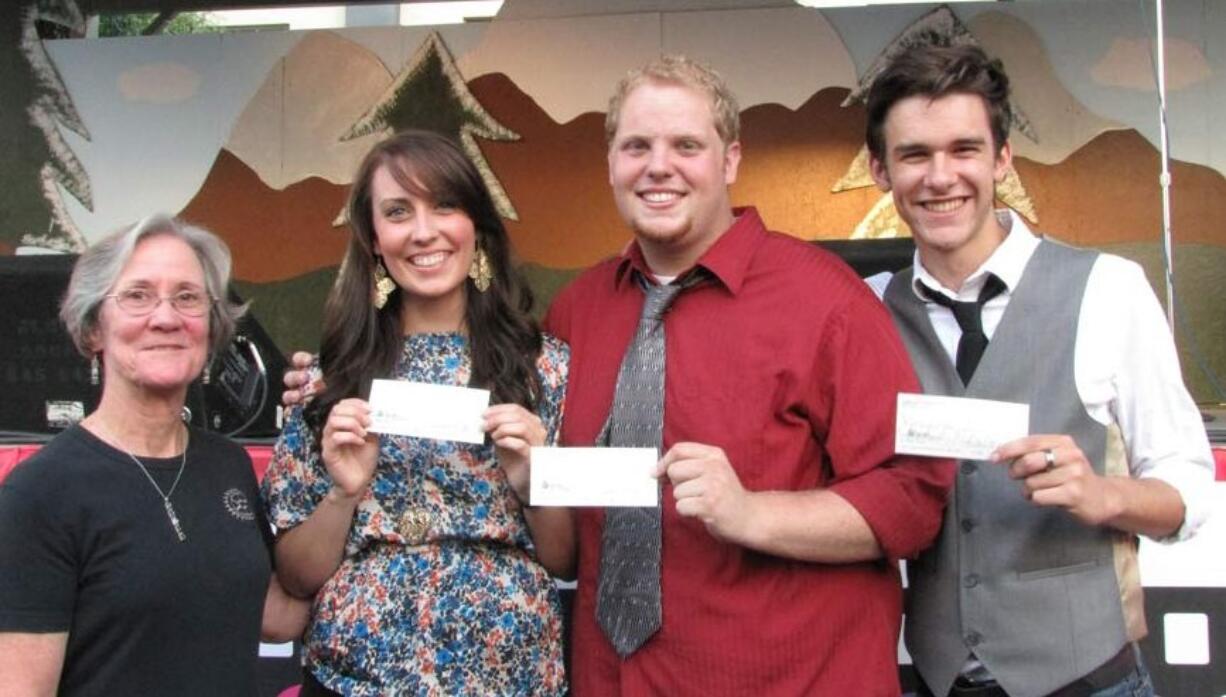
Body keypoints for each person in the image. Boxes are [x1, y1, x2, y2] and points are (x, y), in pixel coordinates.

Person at [544, 55, 953, 695]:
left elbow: (913, 497)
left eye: (686, 145)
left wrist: (751, 514)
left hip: (786, 678)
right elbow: (569, 538)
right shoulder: (576, 313)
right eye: (636, 146)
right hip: (612, 678)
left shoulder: (828, 302)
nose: (658, 166)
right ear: (611, 163)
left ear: (730, 160)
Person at [865, 44, 1215, 697]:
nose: (941, 176)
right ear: (881, 170)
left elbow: (1188, 487)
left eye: (965, 149)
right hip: (935, 679)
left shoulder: (1109, 289)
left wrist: (1106, 495)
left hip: (1090, 681)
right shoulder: (864, 310)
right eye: (914, 154)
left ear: (1002, 158)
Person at [261, 129, 571, 696]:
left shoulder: (543, 368)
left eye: (445, 205)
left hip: (512, 676)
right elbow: (296, 575)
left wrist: (533, 478)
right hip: (353, 679)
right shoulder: (327, 381)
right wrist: (343, 494)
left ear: (475, 225)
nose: (424, 231)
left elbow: (565, 560)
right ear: (374, 239)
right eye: (398, 212)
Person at [0, 214, 308, 696]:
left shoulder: (226, 466)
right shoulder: (41, 492)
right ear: (93, 328)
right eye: (137, 295)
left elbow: (279, 618)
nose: (166, 317)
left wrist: (350, 492)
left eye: (187, 297)